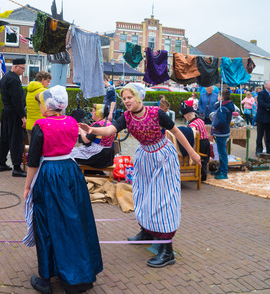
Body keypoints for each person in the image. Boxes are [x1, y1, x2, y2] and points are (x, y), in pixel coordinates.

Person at [79, 83, 201, 268]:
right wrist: (93, 130)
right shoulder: (126, 117)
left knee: (163, 200)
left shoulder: (156, 113)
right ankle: (147, 231)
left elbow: (175, 131)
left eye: (129, 97)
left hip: (162, 156)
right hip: (144, 156)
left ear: (138, 97)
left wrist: (192, 153)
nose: (127, 101)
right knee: (142, 195)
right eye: (124, 98)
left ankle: (167, 251)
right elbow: (111, 130)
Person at [24, 85, 103, 294]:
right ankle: (78, 273)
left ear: (48, 105)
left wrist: (27, 185)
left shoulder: (41, 126)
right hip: (70, 172)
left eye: (41, 102)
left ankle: (45, 279)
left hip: (50, 174)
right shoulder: (71, 122)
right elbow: (85, 140)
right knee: (75, 221)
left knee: (47, 223)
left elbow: (33, 160)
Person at [0, 58, 27, 177]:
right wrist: (22, 117)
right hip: (14, 113)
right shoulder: (14, 80)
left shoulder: (5, 78)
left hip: (6, 111)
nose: (23, 71)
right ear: (15, 67)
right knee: (16, 139)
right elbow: (17, 100)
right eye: (22, 68)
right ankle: (16, 167)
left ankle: (2, 163)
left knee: (4, 138)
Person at [70, 103, 116, 168]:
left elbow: (86, 140)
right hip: (108, 156)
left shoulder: (97, 125)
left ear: (98, 113)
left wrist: (80, 129)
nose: (91, 112)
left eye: (94, 111)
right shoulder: (109, 123)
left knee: (70, 154)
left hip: (98, 156)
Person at [180, 103, 211, 181]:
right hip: (206, 141)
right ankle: (203, 175)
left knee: (200, 159)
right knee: (205, 159)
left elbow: (192, 136)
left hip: (200, 143)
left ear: (187, 117)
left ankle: (202, 177)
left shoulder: (192, 125)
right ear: (194, 113)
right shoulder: (200, 120)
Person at [210, 88, 234, 180]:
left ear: (222, 98)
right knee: (221, 153)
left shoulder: (222, 108)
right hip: (222, 132)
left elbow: (222, 121)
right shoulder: (224, 106)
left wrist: (215, 126)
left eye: (219, 96)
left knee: (222, 153)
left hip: (221, 133)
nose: (217, 97)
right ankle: (221, 170)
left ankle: (224, 172)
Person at [25, 71, 52, 141]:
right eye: (48, 81)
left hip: (29, 125)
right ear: (42, 80)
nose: (48, 84)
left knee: (32, 149)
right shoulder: (44, 91)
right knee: (41, 150)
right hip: (40, 126)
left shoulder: (30, 91)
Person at [255, 80, 270, 156]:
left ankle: (269, 150)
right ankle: (259, 150)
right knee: (260, 135)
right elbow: (262, 103)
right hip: (262, 118)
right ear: (265, 85)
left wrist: (269, 105)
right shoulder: (261, 94)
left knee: (269, 135)